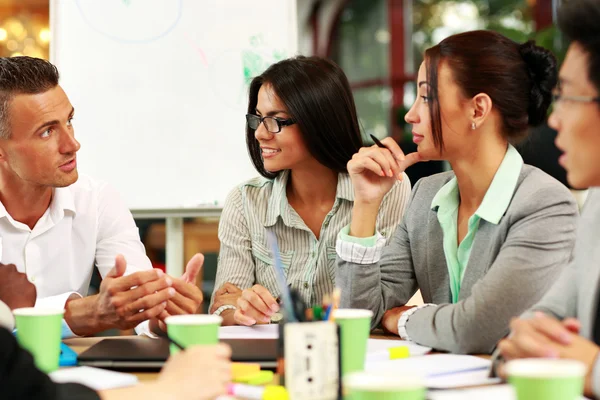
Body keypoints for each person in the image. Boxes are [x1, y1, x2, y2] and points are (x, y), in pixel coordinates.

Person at [336, 30, 579, 354]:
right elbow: (358, 317)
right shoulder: (425, 195)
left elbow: (476, 329)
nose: (410, 115)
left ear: (478, 109)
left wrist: (403, 320)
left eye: (426, 97)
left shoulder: (546, 205)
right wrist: (366, 204)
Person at [0, 56, 203, 336]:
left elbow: (136, 294)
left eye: (69, 121)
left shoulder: (97, 199)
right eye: (47, 132)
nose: (72, 144)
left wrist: (160, 313)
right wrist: (80, 313)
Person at [210, 56, 411, 326]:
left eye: (276, 120)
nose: (259, 134)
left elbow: (375, 310)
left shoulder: (386, 191)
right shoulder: (245, 201)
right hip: (274, 360)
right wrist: (241, 311)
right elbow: (223, 307)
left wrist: (273, 314)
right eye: (258, 119)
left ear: (319, 121)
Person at [495, 0, 600, 397]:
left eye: (569, 98)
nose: (554, 118)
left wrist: (591, 369)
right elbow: (531, 327)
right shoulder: (597, 207)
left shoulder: (544, 199)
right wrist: (522, 346)